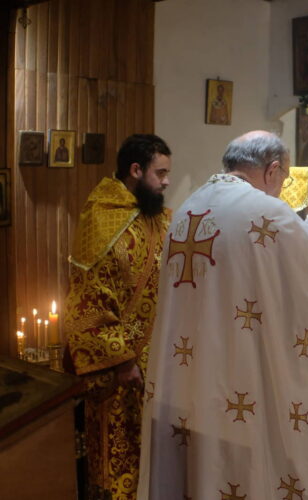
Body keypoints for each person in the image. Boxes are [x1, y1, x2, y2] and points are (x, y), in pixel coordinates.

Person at [138, 131, 308, 500]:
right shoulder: (267, 213)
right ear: (272, 170)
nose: (281, 190)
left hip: (189, 383)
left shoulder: (186, 210)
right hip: (242, 385)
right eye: (283, 179)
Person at [64, 134, 172, 499]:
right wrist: (122, 359)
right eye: (161, 173)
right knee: (118, 453)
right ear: (136, 170)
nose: (167, 182)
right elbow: (88, 298)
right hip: (119, 368)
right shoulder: (101, 219)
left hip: (158, 359)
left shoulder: (157, 217)